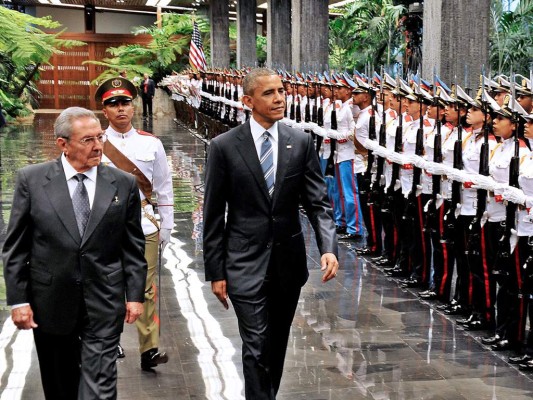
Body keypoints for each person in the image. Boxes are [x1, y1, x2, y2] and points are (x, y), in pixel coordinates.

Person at [203, 68, 339, 400]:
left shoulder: (300, 141)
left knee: (275, 346)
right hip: (243, 263)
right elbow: (212, 215)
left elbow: (318, 202)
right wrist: (216, 271)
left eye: (281, 91)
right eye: (269, 93)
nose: (279, 98)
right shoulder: (224, 147)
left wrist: (328, 246)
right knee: (255, 346)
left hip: (287, 265)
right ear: (248, 101)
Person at [2, 107, 147, 399]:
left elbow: (133, 245)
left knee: (99, 387)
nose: (97, 146)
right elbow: (16, 246)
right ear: (63, 144)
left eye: (100, 137)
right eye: (87, 140)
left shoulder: (122, 183)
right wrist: (18, 300)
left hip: (104, 299)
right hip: (51, 300)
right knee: (60, 386)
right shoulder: (32, 180)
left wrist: (134, 295)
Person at [95, 77, 174, 371]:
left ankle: (149, 348)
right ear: (105, 110)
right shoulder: (96, 142)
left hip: (144, 225)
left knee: (147, 288)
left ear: (134, 105)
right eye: (113, 104)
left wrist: (166, 227)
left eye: (125, 102)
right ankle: (110, 339)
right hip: (104, 226)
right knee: (108, 285)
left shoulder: (151, 143)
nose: (120, 109)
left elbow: (164, 187)